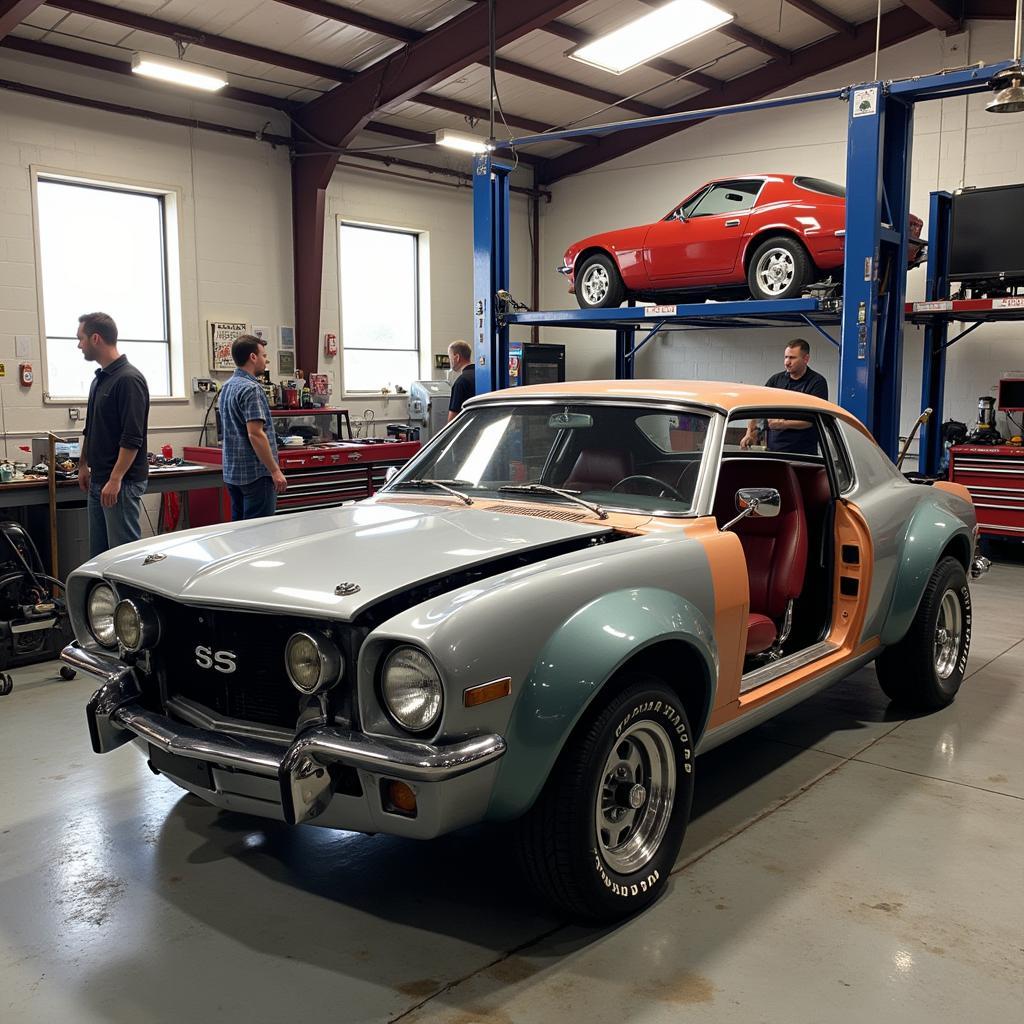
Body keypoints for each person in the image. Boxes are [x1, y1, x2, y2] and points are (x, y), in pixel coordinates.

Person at [76, 312, 150, 558]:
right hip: (99, 481)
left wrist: (116, 479)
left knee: (123, 558)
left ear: (96, 338)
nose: (79, 345)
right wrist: (83, 464)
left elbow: (132, 437)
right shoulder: (99, 380)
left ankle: (129, 598)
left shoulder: (129, 380)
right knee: (99, 558)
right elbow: (91, 428)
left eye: (81, 339)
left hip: (122, 484)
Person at [218, 334, 287, 520]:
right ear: (253, 357)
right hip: (255, 475)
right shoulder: (251, 389)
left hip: (233, 473)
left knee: (239, 534)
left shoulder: (227, 387)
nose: (266, 360)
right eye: (264, 356)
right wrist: (274, 470)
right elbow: (255, 434)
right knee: (259, 536)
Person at [741, 339, 829, 456]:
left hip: (803, 454)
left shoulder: (817, 382)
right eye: (786, 357)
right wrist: (750, 433)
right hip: (774, 451)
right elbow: (756, 408)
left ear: (806, 359)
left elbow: (812, 420)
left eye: (792, 358)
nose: (787, 362)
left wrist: (783, 424)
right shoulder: (776, 380)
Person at [447, 340, 475, 421]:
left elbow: (453, 419)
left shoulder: (461, 382)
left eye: (450, 358)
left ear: (457, 357)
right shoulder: (482, 376)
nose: (450, 362)